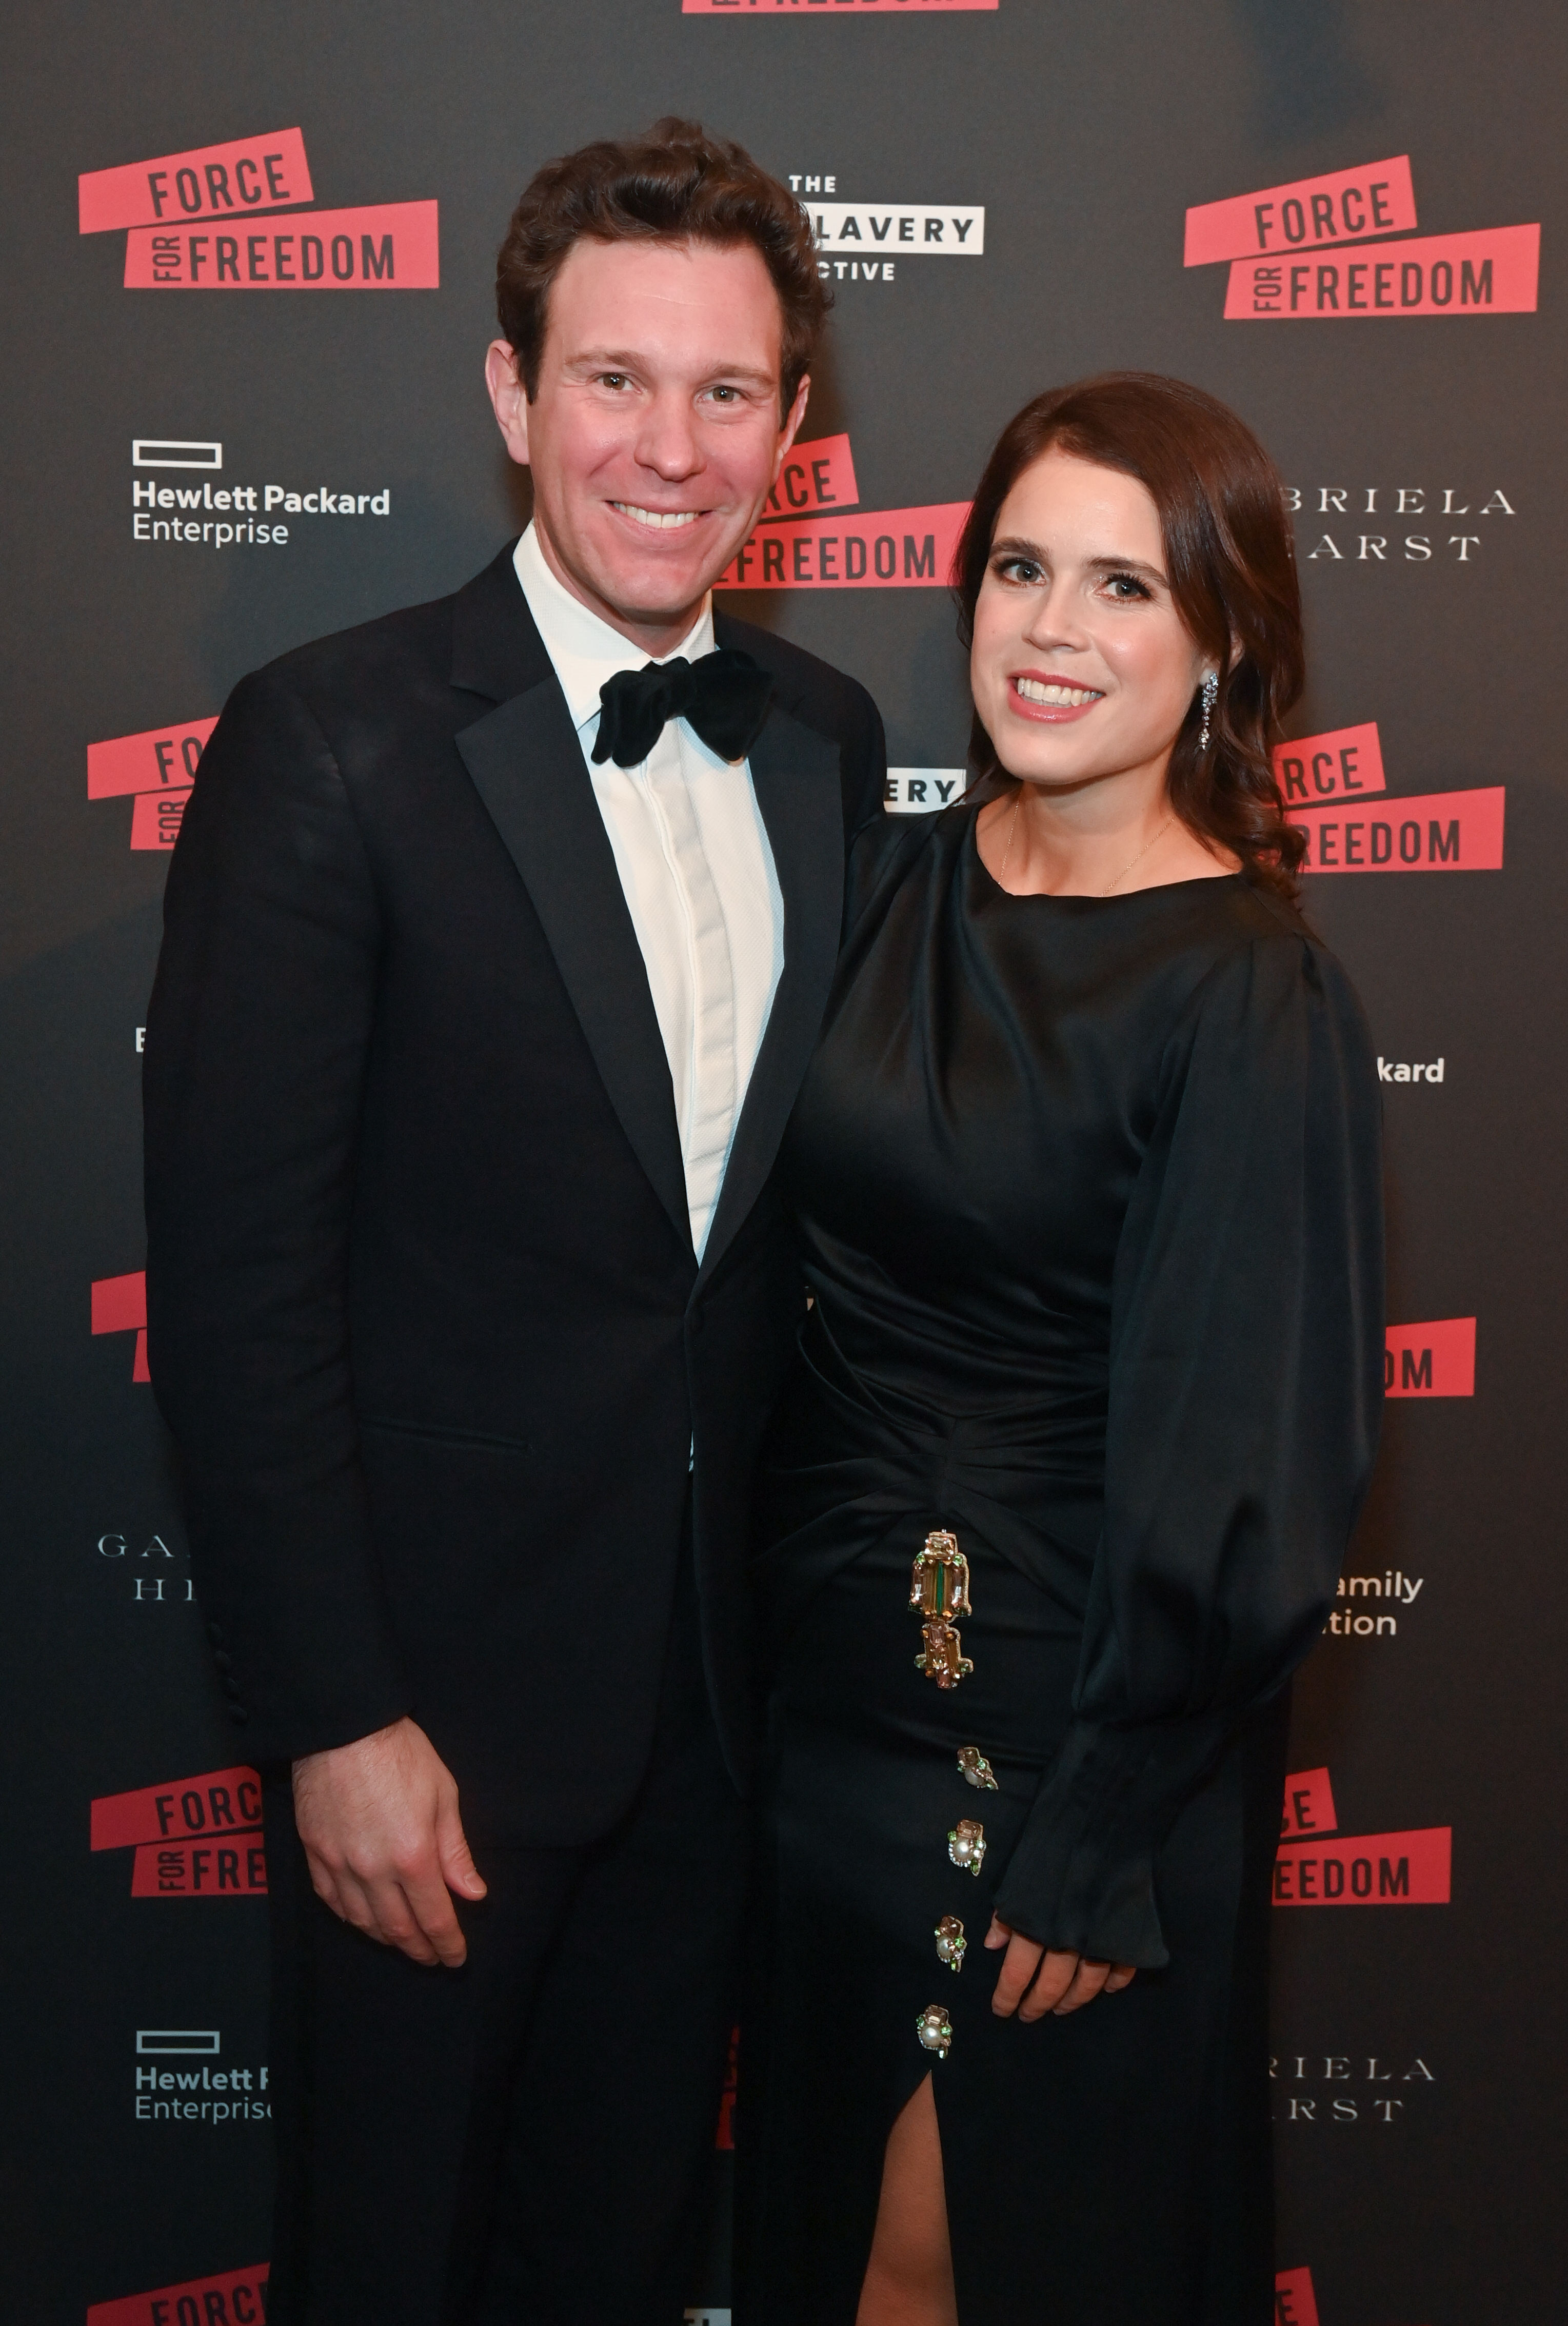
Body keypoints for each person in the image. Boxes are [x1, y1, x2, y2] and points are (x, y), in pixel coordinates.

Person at [142, 120, 885, 2326]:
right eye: (614, 380)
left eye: (728, 391)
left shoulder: (832, 748)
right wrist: (334, 1718)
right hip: (431, 1754)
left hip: (722, 1735)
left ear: (796, 427)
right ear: (508, 393)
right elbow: (236, 1283)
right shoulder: (334, 743)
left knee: (628, 2267)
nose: (671, 447)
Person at [736, 374, 1384, 2325]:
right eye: (1021, 567)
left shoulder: (1250, 989)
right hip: (817, 1720)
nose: (1050, 626)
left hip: (1060, 1769)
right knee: (810, 2251)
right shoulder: (889, 885)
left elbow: (1252, 1458)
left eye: (1122, 584)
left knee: (958, 2268)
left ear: (1219, 644)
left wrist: (1099, 1832)